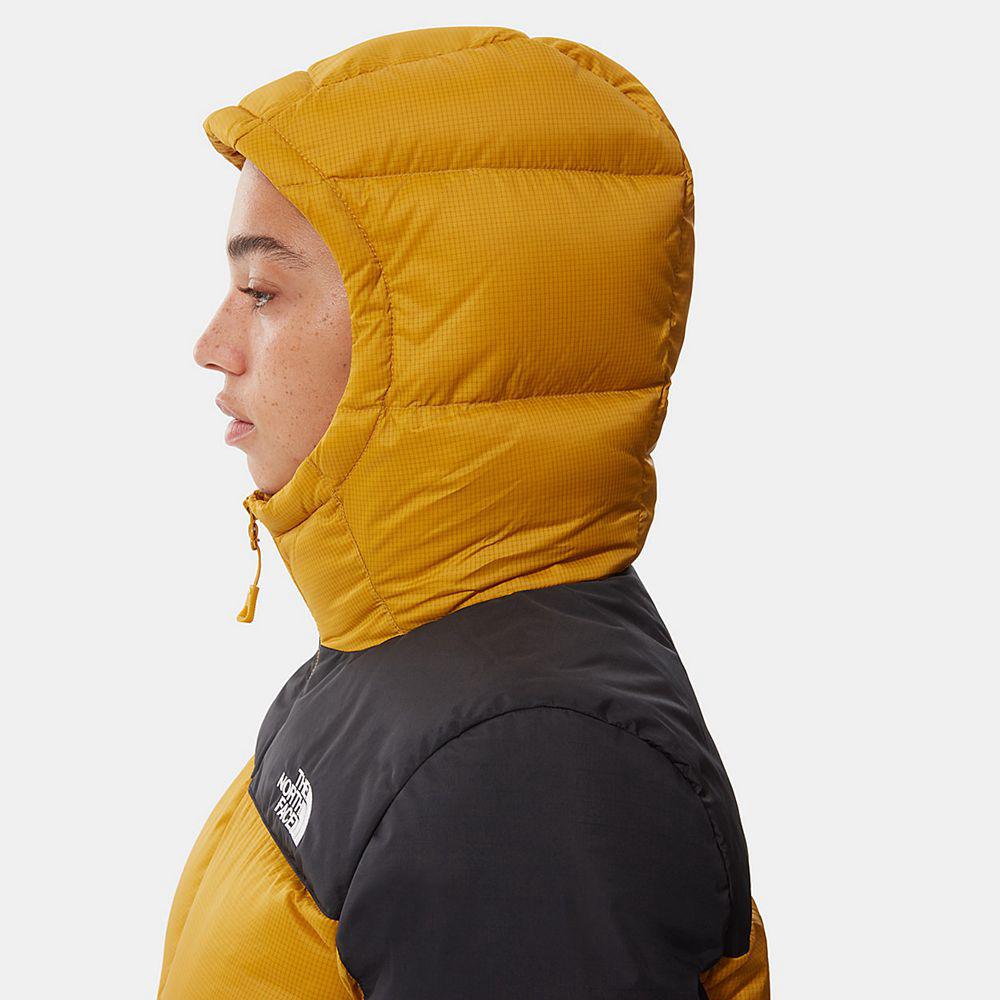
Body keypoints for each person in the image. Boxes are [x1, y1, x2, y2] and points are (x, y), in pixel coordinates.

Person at [159, 25, 771, 1000]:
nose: (212, 343)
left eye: (261, 290)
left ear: (440, 330)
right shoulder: (409, 653)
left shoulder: (527, 763)